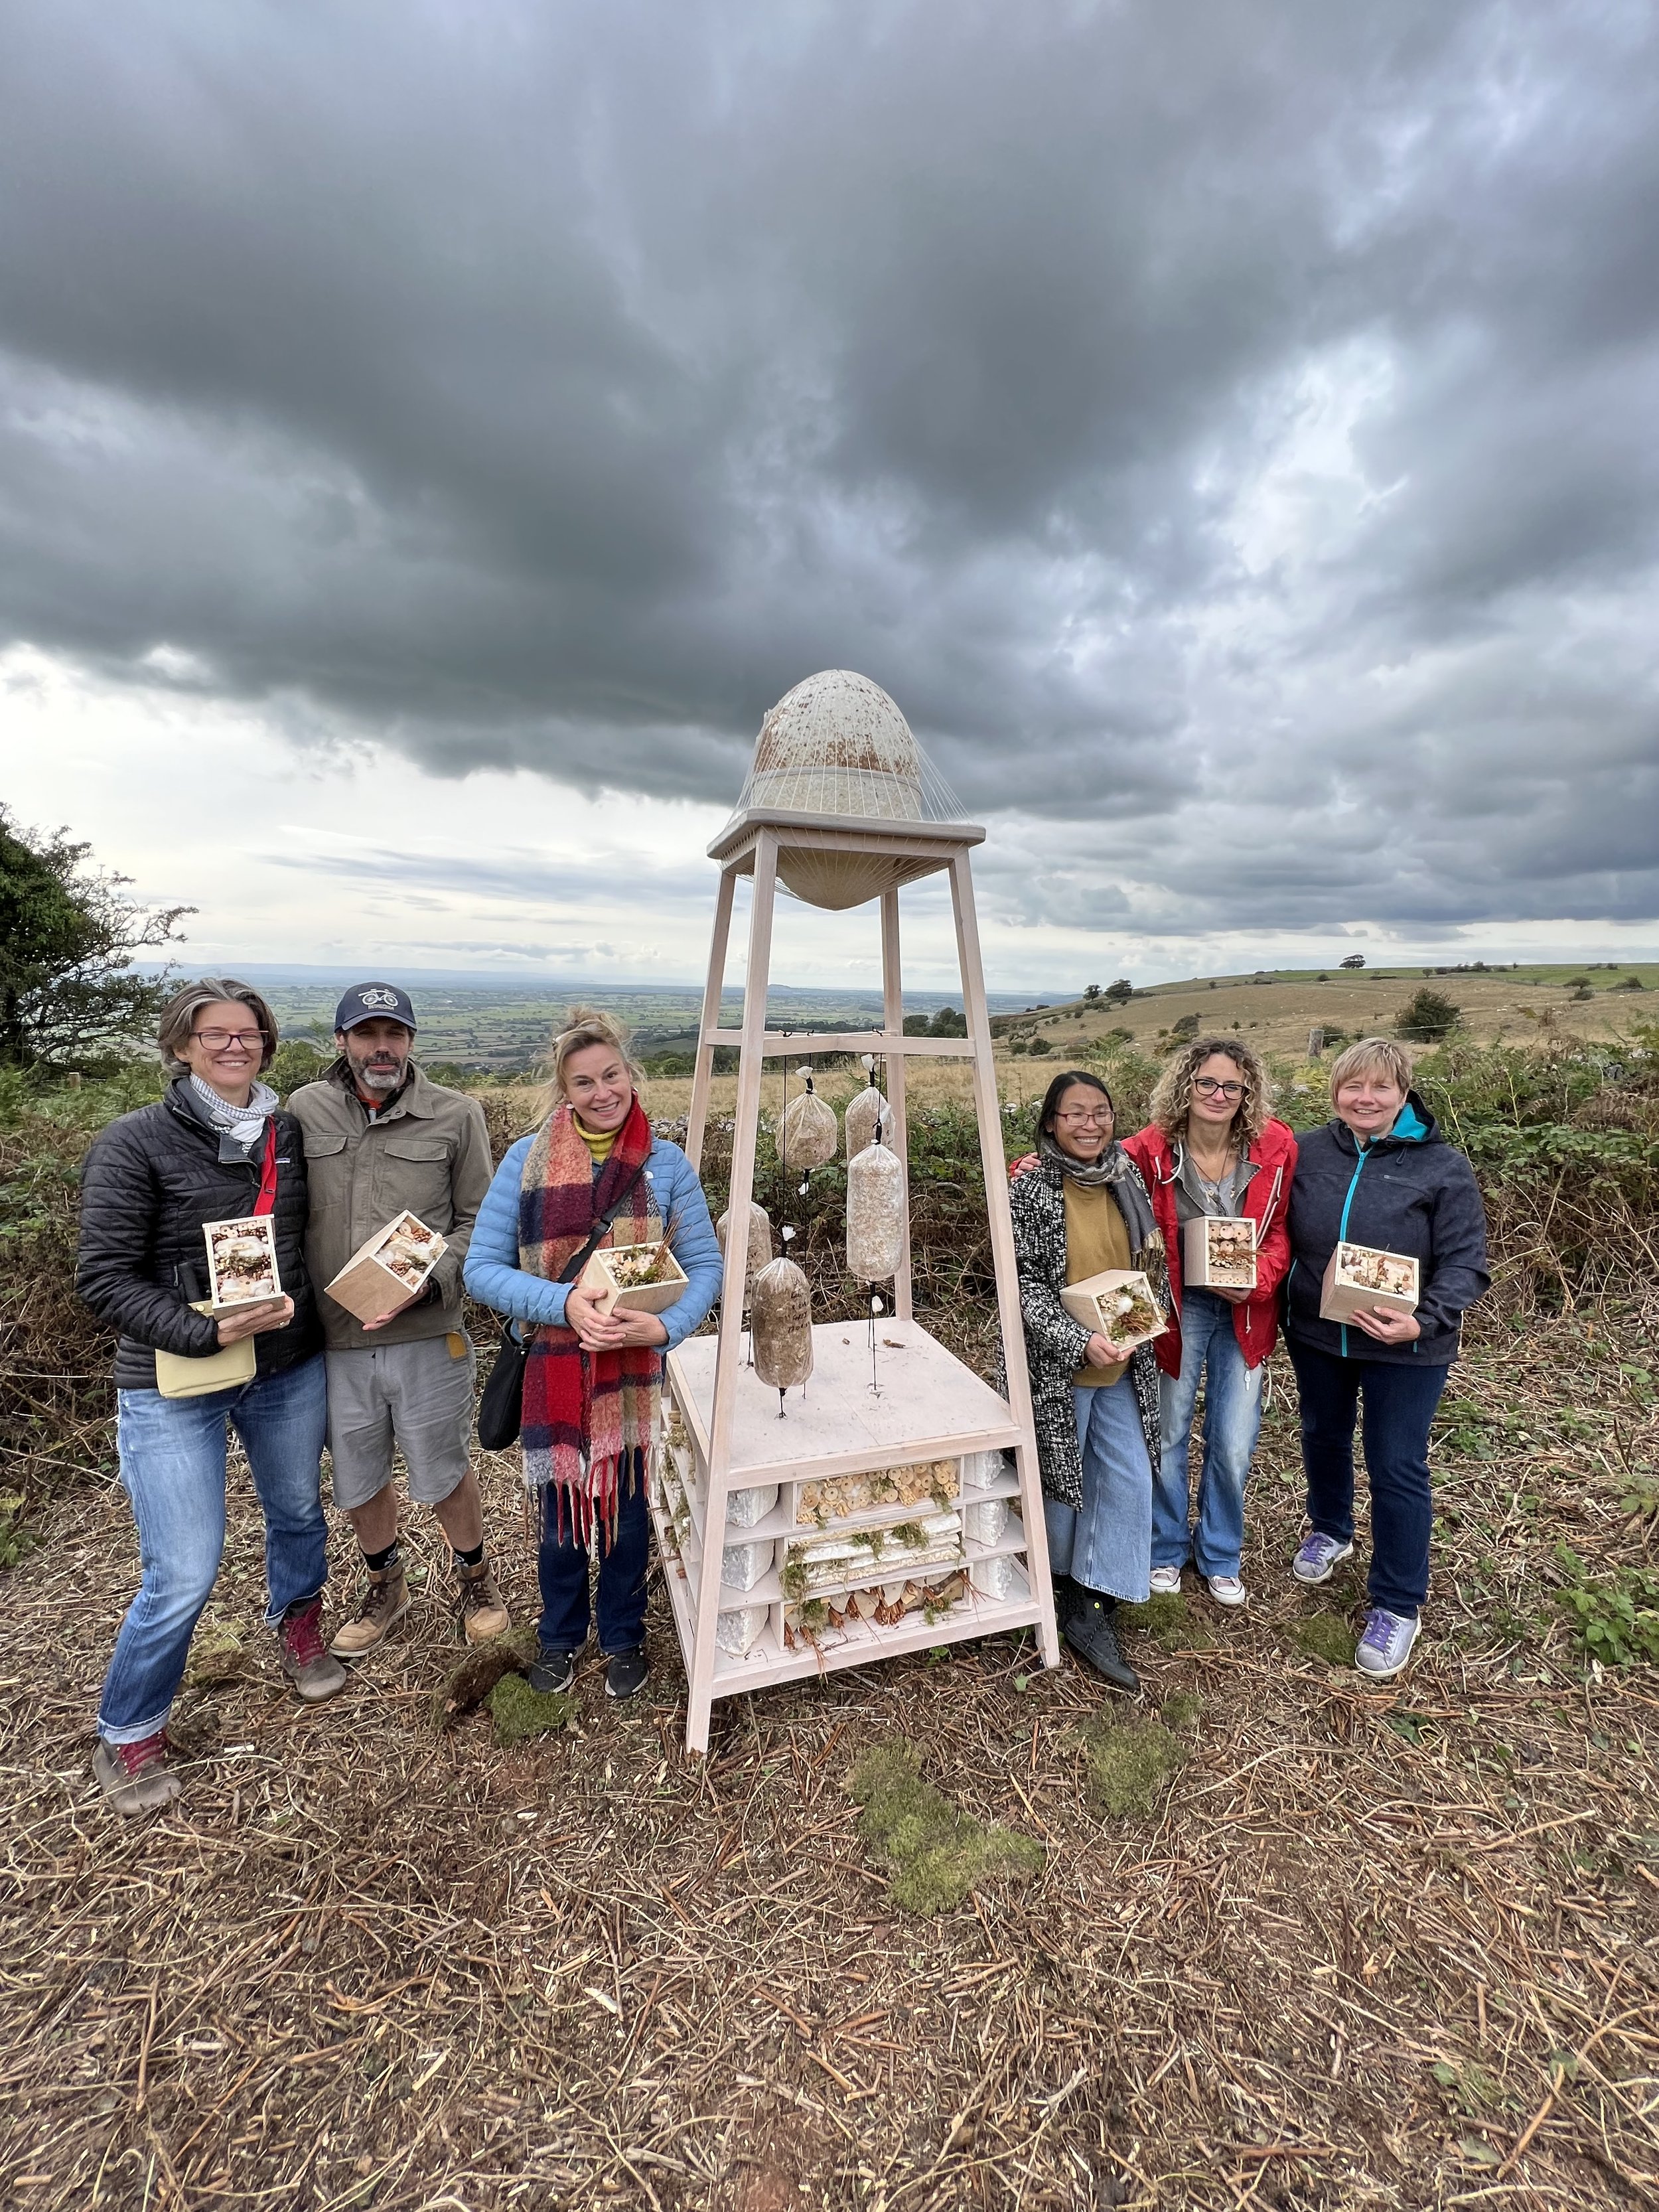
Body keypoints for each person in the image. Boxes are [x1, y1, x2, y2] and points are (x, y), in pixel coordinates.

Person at [76, 979, 346, 1817]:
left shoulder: (289, 1133)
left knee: (298, 1511)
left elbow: (294, 1247)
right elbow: (104, 1277)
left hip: (285, 1366)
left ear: (266, 1042)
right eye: (215, 1034)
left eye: (250, 1033)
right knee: (183, 1568)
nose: (236, 1046)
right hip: (172, 1378)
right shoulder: (135, 1142)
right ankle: (128, 1729)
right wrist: (203, 1332)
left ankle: (297, 1625)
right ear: (182, 1046)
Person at [463, 1009, 721, 1701]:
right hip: (554, 1373)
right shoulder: (525, 1162)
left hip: (633, 1380)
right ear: (564, 1089)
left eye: (611, 1075)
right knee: (559, 1521)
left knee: (630, 1512)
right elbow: (481, 1270)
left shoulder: (666, 1166)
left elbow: (705, 1267)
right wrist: (564, 1305)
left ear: (630, 1074)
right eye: (584, 1082)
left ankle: (624, 1633)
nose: (601, 1091)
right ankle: (560, 1635)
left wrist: (662, 1332)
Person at [289, 982, 504, 1658]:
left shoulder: (454, 1114)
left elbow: (481, 1222)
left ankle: (475, 1576)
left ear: (410, 1042)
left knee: (441, 1465)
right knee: (356, 1475)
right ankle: (387, 1583)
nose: (382, 1048)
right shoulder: (303, 1110)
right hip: (333, 1340)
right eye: (367, 1034)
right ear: (342, 1041)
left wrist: (430, 1282)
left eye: (396, 1035)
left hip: (425, 1334)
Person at [1283, 1037, 1489, 1680]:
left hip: (1407, 1348)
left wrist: (1422, 1321)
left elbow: (1466, 1263)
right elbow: (1272, 1230)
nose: (1364, 1099)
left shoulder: (1441, 1166)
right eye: (1352, 1086)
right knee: (1321, 1434)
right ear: (1335, 1091)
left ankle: (1398, 1603)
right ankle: (1330, 1527)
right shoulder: (1309, 1152)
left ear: (1403, 1093)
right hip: (1320, 1335)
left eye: (1379, 1087)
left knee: (1395, 1464)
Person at [1123, 1038, 1295, 1607]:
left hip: (1247, 1309)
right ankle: (1166, 1547)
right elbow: (1093, 1161)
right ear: (1185, 1086)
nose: (1219, 1095)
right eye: (1207, 1083)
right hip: (1179, 1308)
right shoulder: (1151, 1150)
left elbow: (1281, 1235)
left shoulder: (1275, 1146)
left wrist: (1259, 1281)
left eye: (1232, 1086)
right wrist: (1034, 1164)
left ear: (1248, 1093)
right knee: (1168, 1431)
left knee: (1233, 1440)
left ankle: (1220, 1552)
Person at [1007, 1069, 1161, 1692]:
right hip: (1058, 1364)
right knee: (1059, 1480)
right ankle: (1055, 1586)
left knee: (1126, 1475)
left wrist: (1140, 1323)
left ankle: (1096, 1597)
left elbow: (1151, 1263)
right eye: (1075, 1113)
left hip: (1122, 1354)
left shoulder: (1129, 1177)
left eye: (1100, 1111)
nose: (1090, 1124)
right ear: (1051, 1122)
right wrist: (1078, 1340)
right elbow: (1023, 1286)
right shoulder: (1031, 1188)